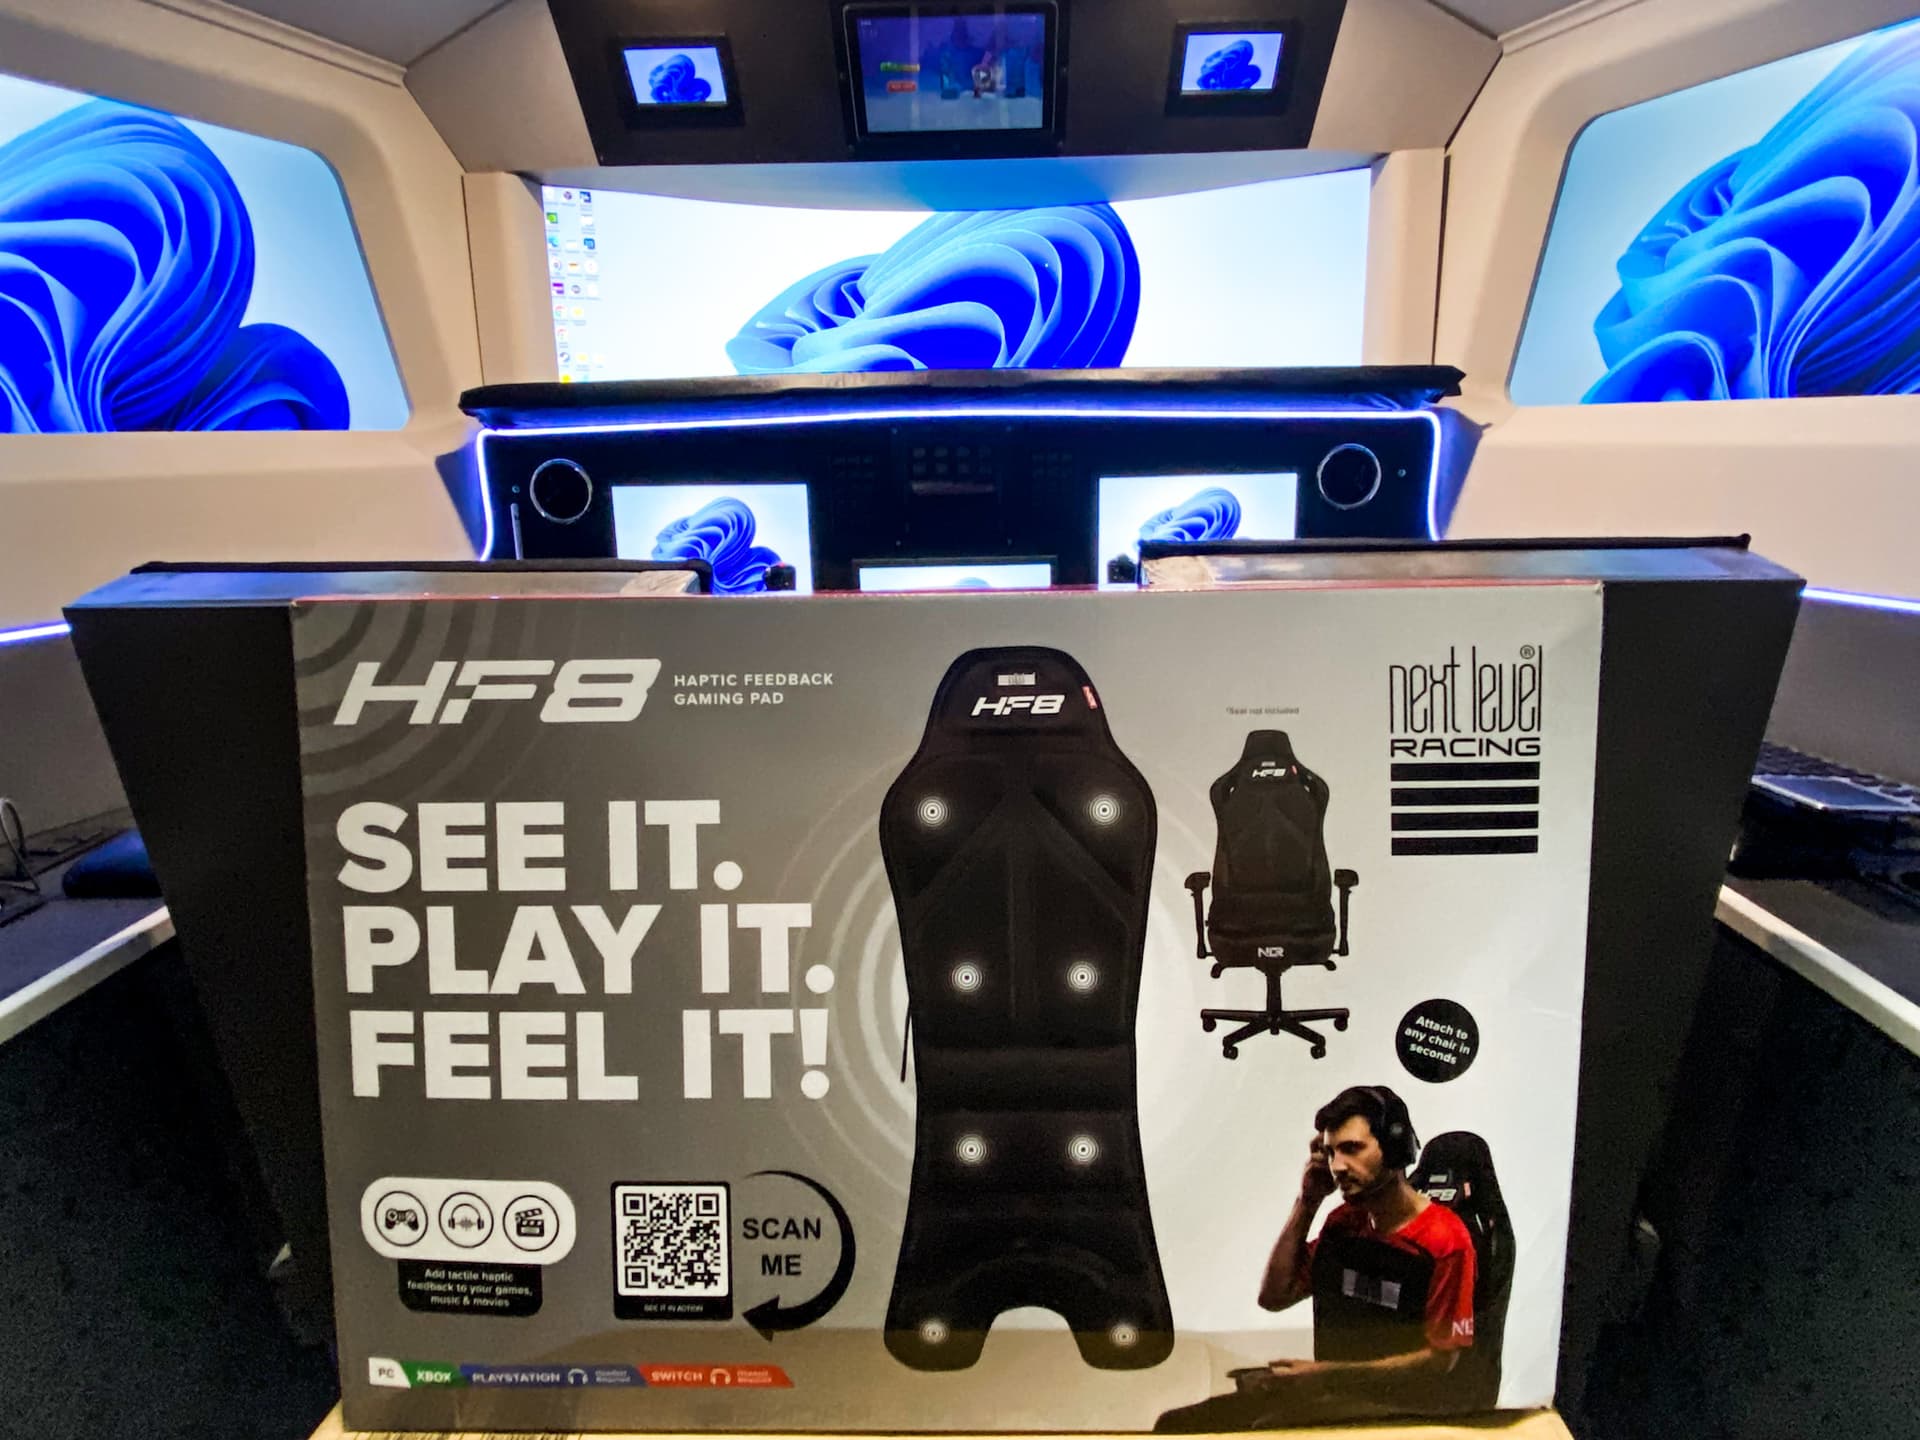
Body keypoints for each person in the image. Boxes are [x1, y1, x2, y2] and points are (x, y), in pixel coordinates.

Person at [1154, 1085, 1476, 1431]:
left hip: (1399, 1409)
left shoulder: (1445, 1241)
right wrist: (1308, 1201)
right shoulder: (1343, 1224)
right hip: (1331, 1394)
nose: (1338, 1166)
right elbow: (1275, 1296)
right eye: (1330, 1152)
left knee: (1265, 1429)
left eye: (1352, 1149)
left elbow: (1440, 1362)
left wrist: (1323, 1375)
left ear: (1395, 1147)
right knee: (1175, 1425)